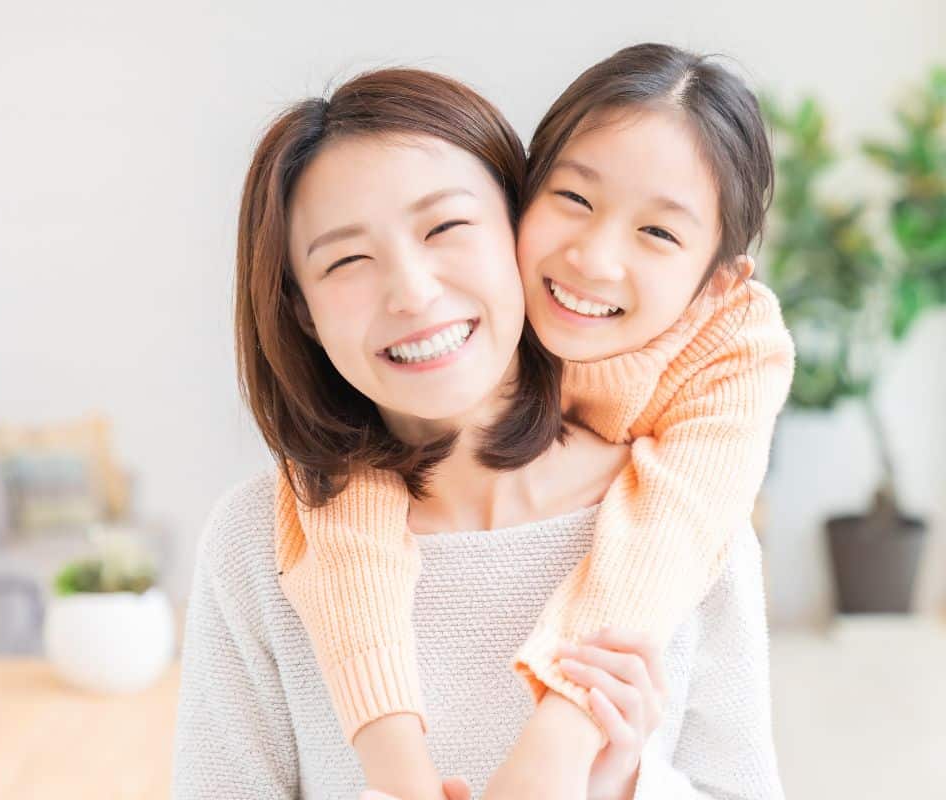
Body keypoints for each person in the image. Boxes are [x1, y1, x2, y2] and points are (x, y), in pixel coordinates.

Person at [172, 65, 785, 799]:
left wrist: (619, 786)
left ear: (513, 224)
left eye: (446, 227)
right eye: (345, 260)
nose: (413, 292)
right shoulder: (255, 544)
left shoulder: (691, 528)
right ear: (302, 310)